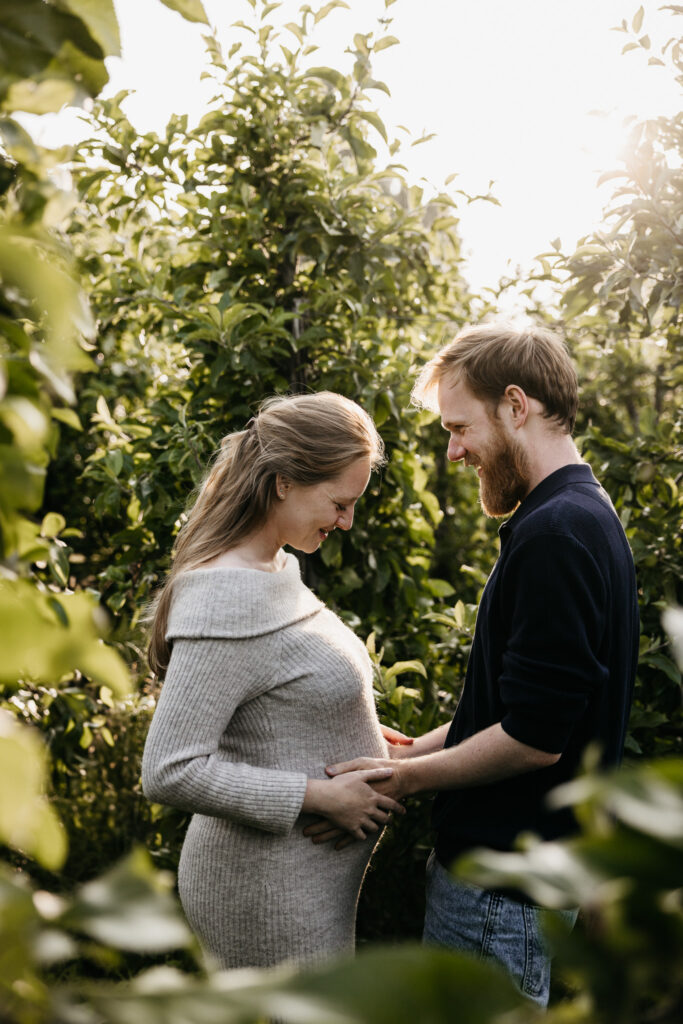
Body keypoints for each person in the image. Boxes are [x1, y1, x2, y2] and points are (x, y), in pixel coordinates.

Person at [305, 324, 639, 1006]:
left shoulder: (556, 534)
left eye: (459, 428)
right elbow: (516, 710)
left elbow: (534, 740)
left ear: (516, 406)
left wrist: (402, 781)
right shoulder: (576, 513)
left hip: (501, 891)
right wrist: (403, 751)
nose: (453, 451)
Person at [141, 391, 406, 970]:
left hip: (300, 878)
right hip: (264, 886)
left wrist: (340, 718)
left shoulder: (278, 564)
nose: (348, 520)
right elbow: (169, 769)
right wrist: (319, 795)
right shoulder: (225, 593)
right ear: (284, 481)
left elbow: (271, 685)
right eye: (339, 502)